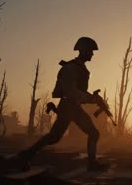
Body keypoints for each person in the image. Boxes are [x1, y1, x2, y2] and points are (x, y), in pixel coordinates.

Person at [17, 37, 108, 172]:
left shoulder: (80, 68)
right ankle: (25, 155)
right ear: (83, 50)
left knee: (91, 133)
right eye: (90, 51)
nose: (92, 54)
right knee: (55, 137)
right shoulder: (71, 67)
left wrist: (93, 98)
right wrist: (91, 99)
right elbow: (71, 91)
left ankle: (91, 164)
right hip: (68, 106)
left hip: (73, 107)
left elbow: (79, 91)